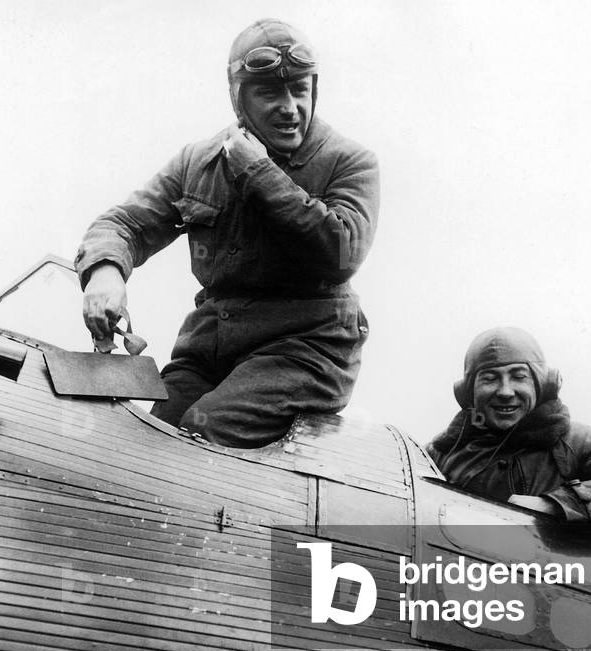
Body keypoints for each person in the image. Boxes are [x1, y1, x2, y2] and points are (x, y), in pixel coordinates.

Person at [76, 19, 379, 448]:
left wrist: (259, 173)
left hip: (305, 349)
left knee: (207, 427)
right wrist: (105, 272)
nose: (290, 107)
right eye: (270, 93)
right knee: (148, 437)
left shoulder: (349, 161)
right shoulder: (199, 161)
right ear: (239, 100)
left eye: (300, 89)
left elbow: (341, 251)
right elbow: (124, 223)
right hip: (211, 348)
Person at [426, 327, 591, 536]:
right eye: (490, 378)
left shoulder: (575, 442)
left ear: (542, 384)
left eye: (519, 376)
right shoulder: (440, 454)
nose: (505, 391)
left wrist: (556, 504)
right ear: (467, 391)